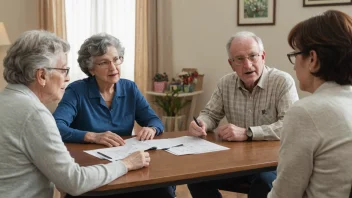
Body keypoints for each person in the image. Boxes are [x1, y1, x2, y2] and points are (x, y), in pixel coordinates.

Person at [0, 30, 153, 198]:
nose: (67, 78)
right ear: (42, 75)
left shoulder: (7, 100)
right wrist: (126, 164)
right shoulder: (35, 114)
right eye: (64, 70)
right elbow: (74, 182)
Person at [53, 33, 175, 197]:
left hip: (127, 164)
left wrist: (152, 128)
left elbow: (154, 120)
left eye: (116, 59)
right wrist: (92, 136)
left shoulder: (130, 88)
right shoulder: (76, 91)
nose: (113, 67)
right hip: (92, 170)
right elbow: (55, 127)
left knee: (164, 189)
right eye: (104, 62)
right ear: (91, 68)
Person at [187, 31, 299, 198]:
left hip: (272, 163)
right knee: (195, 177)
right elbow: (210, 114)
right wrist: (201, 123)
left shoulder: (282, 82)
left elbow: (290, 126)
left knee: (264, 182)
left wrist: (248, 132)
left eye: (253, 56)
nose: (247, 65)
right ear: (231, 63)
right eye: (239, 59)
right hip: (236, 161)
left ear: (263, 56)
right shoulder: (225, 83)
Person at [268, 10, 352, 198]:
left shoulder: (306, 112)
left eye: (296, 54)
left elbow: (285, 194)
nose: (294, 65)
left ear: (312, 60)